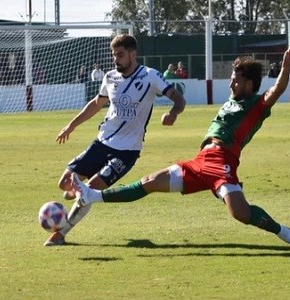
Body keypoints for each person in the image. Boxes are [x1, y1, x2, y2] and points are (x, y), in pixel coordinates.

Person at [71, 46, 290, 249]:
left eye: (236, 80)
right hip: (201, 160)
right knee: (150, 181)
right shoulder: (233, 99)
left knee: (240, 213)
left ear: (249, 84)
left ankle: (286, 234)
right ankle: (92, 195)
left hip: (222, 162)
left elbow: (277, 90)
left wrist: (286, 67)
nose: (231, 83)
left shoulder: (257, 104)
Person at [46, 34, 187, 246]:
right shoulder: (110, 77)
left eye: (120, 55)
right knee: (64, 183)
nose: (116, 60)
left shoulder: (150, 76)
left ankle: (61, 234)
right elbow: (96, 103)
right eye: (114, 55)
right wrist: (72, 125)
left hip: (127, 151)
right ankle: (75, 191)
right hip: (102, 142)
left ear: (133, 54)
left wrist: (174, 113)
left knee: (91, 189)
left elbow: (179, 98)